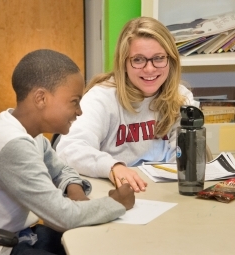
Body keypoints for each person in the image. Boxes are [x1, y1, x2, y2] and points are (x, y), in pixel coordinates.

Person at [0, 49, 135, 255]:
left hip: (14, 235)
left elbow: (61, 170)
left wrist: (75, 192)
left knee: (92, 243)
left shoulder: (26, 132)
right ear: (41, 98)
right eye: (74, 101)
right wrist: (117, 203)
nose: (80, 111)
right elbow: (62, 217)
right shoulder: (13, 145)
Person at [56, 17, 199, 193]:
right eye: (138, 60)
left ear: (171, 60)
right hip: (115, 191)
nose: (149, 69)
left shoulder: (181, 97)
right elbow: (68, 149)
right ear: (123, 63)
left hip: (163, 192)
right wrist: (112, 167)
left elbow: (183, 160)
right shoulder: (101, 98)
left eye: (158, 58)